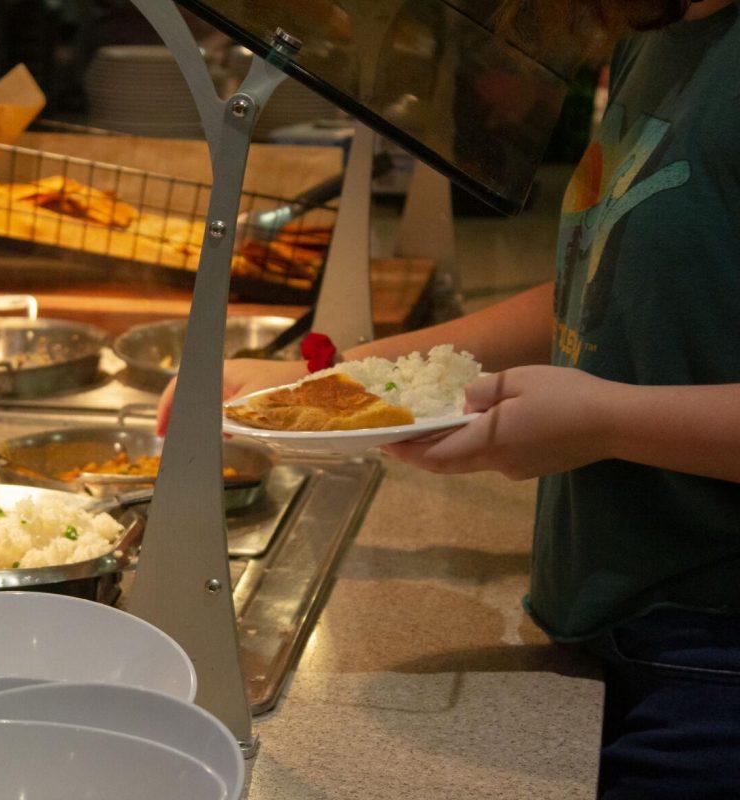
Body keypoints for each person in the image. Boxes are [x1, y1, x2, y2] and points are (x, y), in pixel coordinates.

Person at [157, 1, 740, 796]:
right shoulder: (656, 34)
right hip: (609, 615)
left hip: (712, 660)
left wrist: (606, 421)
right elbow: (607, 278)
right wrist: (333, 381)